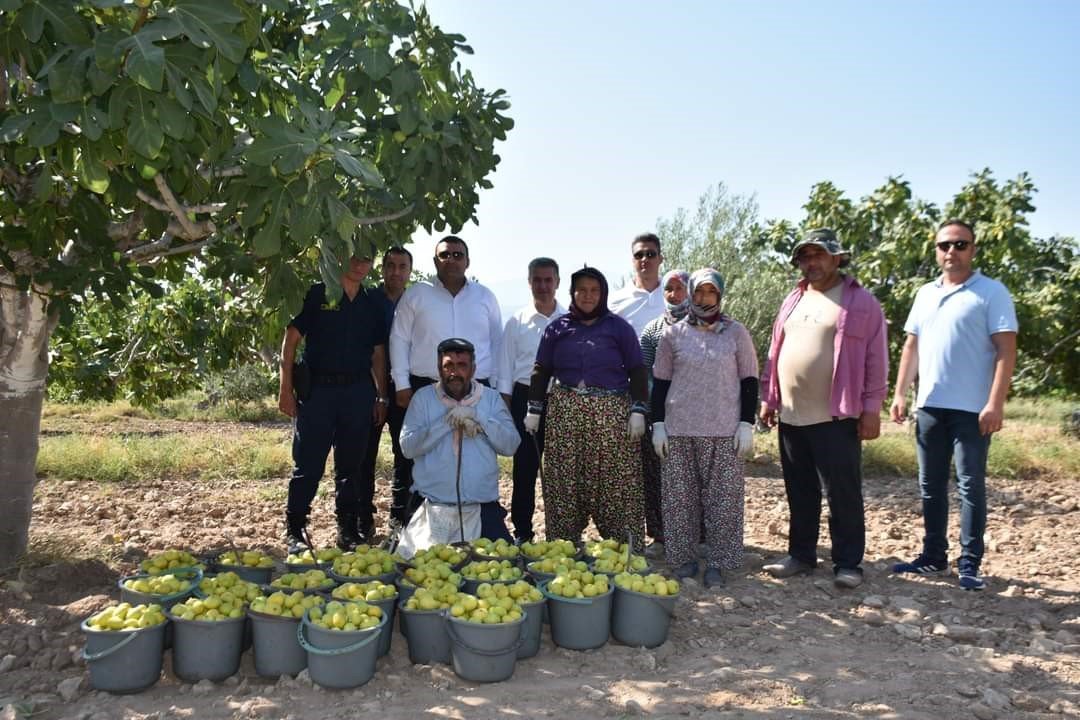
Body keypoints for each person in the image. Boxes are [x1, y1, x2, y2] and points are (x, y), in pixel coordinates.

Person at [890, 219, 1018, 591]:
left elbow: (1006, 350)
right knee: (930, 485)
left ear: (973, 249)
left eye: (960, 244)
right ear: (936, 250)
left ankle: (970, 564)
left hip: (973, 409)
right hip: (930, 406)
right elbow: (912, 346)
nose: (952, 251)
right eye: (945, 245)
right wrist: (900, 393)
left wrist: (995, 403)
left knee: (969, 485)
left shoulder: (992, 292)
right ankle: (933, 557)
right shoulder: (925, 293)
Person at [759, 229, 888, 589]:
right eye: (805, 256)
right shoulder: (793, 299)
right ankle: (801, 555)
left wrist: (872, 407)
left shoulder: (861, 302)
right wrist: (769, 398)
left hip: (836, 415)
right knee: (800, 489)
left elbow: (876, 358)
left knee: (842, 491)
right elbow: (775, 351)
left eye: (818, 255)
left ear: (837, 258)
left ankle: (848, 562)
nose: (811, 262)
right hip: (791, 413)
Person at [526, 266, 648, 550]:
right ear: (572, 293)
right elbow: (541, 370)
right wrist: (534, 409)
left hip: (611, 415)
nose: (588, 296)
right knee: (565, 478)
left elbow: (637, 369)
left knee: (616, 479)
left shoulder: (619, 328)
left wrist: (638, 410)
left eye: (594, 290)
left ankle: (624, 547)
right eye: (582, 290)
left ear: (603, 293)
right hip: (566, 414)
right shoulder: (557, 328)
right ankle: (563, 546)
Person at [650, 269, 758, 588]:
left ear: (720, 295)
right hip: (679, 430)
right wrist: (658, 424)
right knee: (680, 500)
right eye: (698, 291)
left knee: (723, 502)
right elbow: (661, 383)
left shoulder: (736, 333)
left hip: (724, 430)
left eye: (711, 292)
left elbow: (749, 380)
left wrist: (746, 423)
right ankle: (683, 558)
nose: (703, 298)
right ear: (691, 294)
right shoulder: (673, 334)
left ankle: (719, 562)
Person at [277, 252, 389, 553]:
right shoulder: (318, 294)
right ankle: (295, 529)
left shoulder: (371, 302)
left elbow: (378, 353)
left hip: (358, 392)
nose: (360, 265)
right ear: (340, 258)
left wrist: (381, 395)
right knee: (308, 464)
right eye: (354, 258)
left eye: (366, 259)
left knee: (352, 466)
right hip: (318, 393)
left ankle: (347, 530)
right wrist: (285, 388)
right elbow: (291, 339)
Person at [388, 235, 501, 518]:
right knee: (411, 455)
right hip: (423, 387)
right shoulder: (416, 294)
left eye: (457, 255)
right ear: (435, 261)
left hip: (475, 389)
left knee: (475, 451)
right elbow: (399, 339)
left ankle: (479, 515)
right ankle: (404, 519)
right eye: (445, 255)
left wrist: (498, 390)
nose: (451, 260)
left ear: (468, 261)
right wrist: (401, 384)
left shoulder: (485, 297)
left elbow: (497, 344)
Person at [397, 338, 519, 556]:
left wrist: (478, 417)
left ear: (473, 369)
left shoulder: (490, 399)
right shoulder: (423, 398)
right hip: (432, 508)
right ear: (439, 369)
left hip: (481, 507)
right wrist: (448, 421)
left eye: (462, 365)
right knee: (415, 568)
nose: (455, 372)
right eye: (448, 366)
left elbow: (511, 445)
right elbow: (408, 448)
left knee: (504, 565)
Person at [495, 257, 566, 544]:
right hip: (524, 398)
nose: (543, 286)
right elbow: (504, 370)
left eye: (548, 280)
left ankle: (562, 532)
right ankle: (523, 532)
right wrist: (505, 410)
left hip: (561, 400)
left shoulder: (570, 320)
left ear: (558, 282)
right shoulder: (516, 322)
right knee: (524, 469)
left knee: (561, 470)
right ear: (529, 282)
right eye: (537, 280)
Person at [358, 246, 413, 544]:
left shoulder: (415, 302)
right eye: (390, 265)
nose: (396, 272)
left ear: (409, 271)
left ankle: (399, 518)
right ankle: (363, 520)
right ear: (382, 269)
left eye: (402, 266)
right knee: (364, 456)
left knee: (405, 456)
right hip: (370, 389)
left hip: (404, 388)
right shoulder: (367, 300)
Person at [637, 268, 691, 553]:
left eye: (680, 288)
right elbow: (643, 372)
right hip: (657, 414)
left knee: (690, 477)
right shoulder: (653, 329)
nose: (674, 294)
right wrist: (645, 410)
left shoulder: (702, 326)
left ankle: (695, 538)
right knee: (656, 477)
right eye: (668, 289)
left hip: (694, 415)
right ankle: (660, 536)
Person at [610, 232, 666, 337]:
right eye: (639, 255)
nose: (644, 259)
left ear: (660, 259)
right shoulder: (615, 302)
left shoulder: (676, 296)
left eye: (650, 254)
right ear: (633, 261)